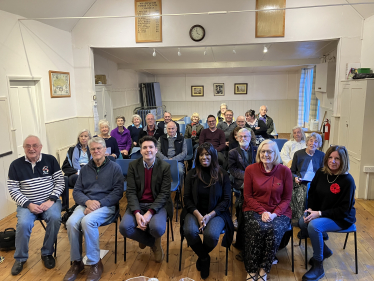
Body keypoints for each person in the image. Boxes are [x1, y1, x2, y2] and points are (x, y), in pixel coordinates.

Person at [63, 137, 123, 281]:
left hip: (106, 205)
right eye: (93, 149)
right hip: (86, 204)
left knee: (87, 221)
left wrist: (98, 204)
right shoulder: (84, 169)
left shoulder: (115, 168)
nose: (96, 151)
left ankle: (95, 263)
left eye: (98, 148)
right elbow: (76, 191)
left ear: (104, 150)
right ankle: (77, 262)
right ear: (90, 151)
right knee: (71, 223)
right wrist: (88, 202)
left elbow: (118, 192)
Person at [7, 135, 65, 276]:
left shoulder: (50, 160)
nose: (31, 149)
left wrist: (51, 200)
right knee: (23, 224)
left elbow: (60, 182)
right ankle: (20, 258)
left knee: (55, 218)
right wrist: (28, 204)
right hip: (27, 205)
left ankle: (46, 253)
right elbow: (13, 189)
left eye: (34, 145)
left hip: (49, 202)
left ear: (40, 147)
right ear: (24, 148)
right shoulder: (15, 164)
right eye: (28, 146)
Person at [299, 146, 356, 281]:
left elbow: (343, 209)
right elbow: (312, 193)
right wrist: (311, 209)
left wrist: (319, 213)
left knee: (314, 226)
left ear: (344, 160)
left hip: (341, 217)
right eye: (330, 157)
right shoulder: (321, 173)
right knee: (302, 221)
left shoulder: (348, 180)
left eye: (337, 158)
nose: (333, 161)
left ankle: (318, 265)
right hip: (321, 212)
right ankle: (324, 250)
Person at [181, 142, 233, 279]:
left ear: (213, 156)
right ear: (197, 157)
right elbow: (186, 199)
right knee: (189, 231)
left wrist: (209, 216)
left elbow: (226, 200)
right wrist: (198, 215)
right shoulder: (191, 174)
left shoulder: (223, 174)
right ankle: (205, 258)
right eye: (201, 155)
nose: (204, 157)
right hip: (195, 211)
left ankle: (201, 256)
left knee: (211, 235)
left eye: (208, 154)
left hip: (217, 212)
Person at [242, 140, 293, 281]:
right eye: (262, 151)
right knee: (258, 227)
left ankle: (263, 270)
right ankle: (252, 270)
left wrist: (274, 213)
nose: (265, 154)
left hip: (280, 211)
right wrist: (262, 212)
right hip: (254, 208)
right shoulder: (250, 170)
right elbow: (248, 196)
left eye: (269, 151)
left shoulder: (285, 171)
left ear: (275, 153)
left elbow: (287, 198)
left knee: (273, 230)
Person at [119, 136, 173, 263]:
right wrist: (137, 213)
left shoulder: (164, 166)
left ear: (156, 150)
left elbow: (164, 193)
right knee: (124, 227)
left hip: (157, 205)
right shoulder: (133, 166)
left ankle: (150, 238)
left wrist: (149, 213)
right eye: (144, 147)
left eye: (150, 147)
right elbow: (131, 191)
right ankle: (151, 242)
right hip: (138, 203)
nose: (148, 150)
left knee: (157, 228)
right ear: (140, 150)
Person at [228, 128, 256, 259]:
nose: (243, 138)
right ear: (237, 138)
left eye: (246, 136)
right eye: (241, 137)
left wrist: (254, 177)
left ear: (250, 138)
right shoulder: (233, 152)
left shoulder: (256, 150)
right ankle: (240, 242)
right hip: (241, 182)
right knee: (242, 212)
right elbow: (232, 169)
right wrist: (248, 176)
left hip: (257, 182)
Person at [290, 132, 324, 221]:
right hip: (301, 181)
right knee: (302, 193)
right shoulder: (298, 154)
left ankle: (315, 216)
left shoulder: (321, 155)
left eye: (316, 141)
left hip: (316, 182)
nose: (313, 143)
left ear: (318, 144)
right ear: (307, 142)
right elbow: (292, 171)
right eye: (311, 141)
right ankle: (301, 217)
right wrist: (295, 178)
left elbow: (324, 172)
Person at [157, 121, 187, 204]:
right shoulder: (161, 138)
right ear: (166, 129)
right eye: (169, 129)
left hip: (177, 162)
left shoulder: (181, 138)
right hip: (164, 161)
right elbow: (157, 152)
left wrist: (173, 160)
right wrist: (166, 159)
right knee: (157, 171)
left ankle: (178, 194)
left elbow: (184, 153)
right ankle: (162, 194)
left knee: (180, 171)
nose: (171, 130)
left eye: (172, 128)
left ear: (176, 129)